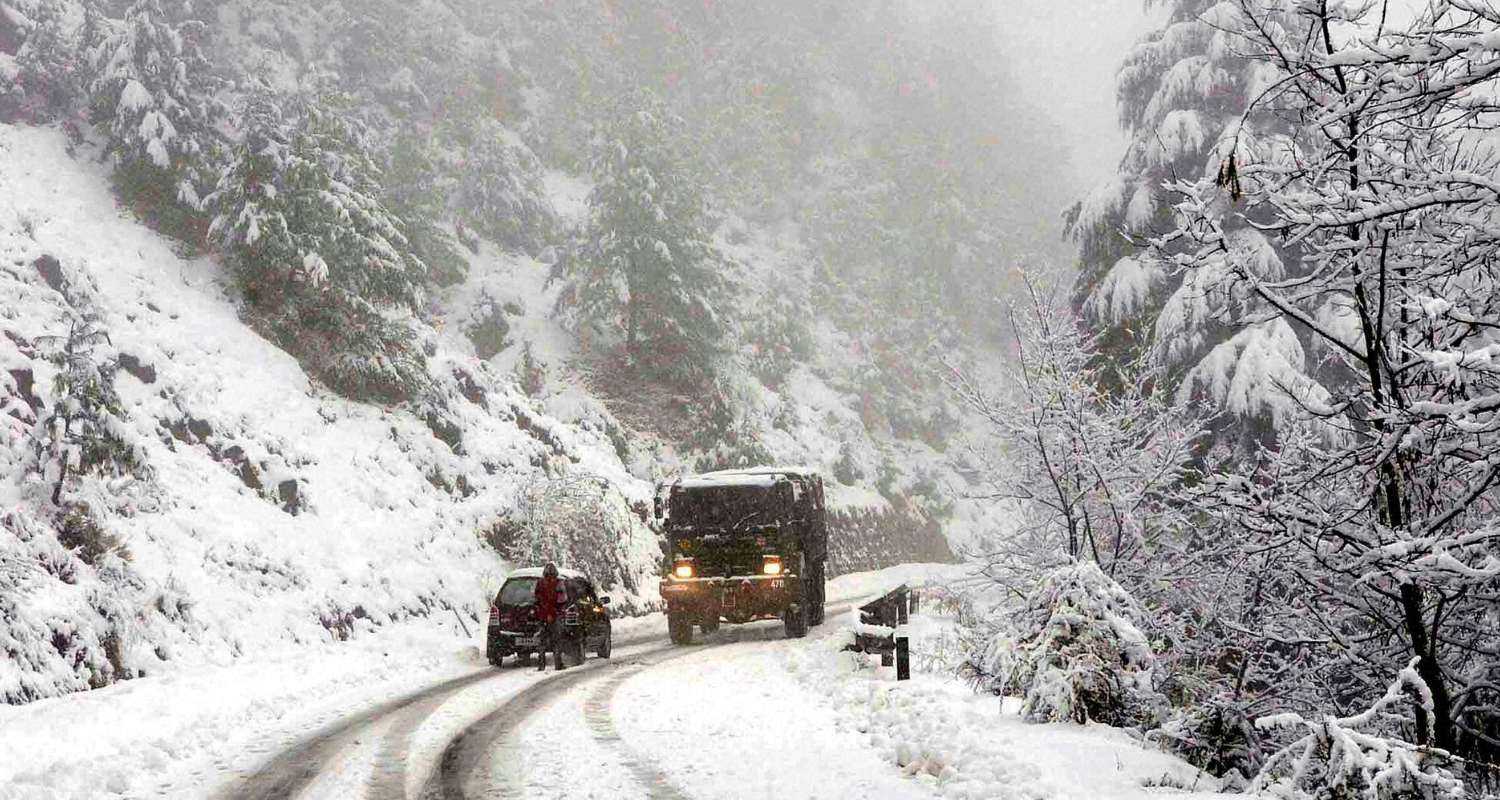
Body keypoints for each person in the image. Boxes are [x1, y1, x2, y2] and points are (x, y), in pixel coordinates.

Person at [533, 562, 567, 671]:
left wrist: (544, 612)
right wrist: (553, 613)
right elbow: (562, 600)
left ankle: (541, 664)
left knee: (542, 641)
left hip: (542, 616)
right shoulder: (559, 584)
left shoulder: (540, 584)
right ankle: (558, 663)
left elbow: (537, 600)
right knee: (556, 640)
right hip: (555, 616)